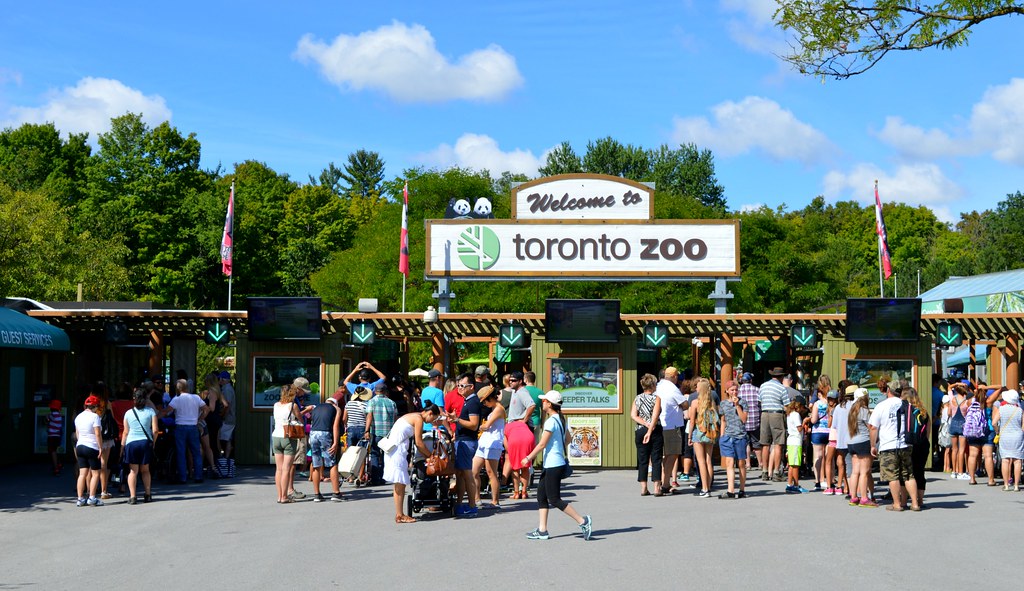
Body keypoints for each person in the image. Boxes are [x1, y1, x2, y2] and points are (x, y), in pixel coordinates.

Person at [521, 391, 593, 541]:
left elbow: (542, 444)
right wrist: (558, 449)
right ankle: (542, 530)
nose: (542, 403)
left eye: (544, 401)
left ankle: (583, 521)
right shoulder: (560, 419)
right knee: (541, 496)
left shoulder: (551, 421)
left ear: (549, 404)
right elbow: (568, 439)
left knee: (554, 499)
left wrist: (528, 457)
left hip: (553, 464)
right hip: (553, 463)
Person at [869, 380, 921, 512]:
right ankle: (915, 503)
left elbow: (873, 427)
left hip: (888, 445)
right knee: (908, 474)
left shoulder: (881, 406)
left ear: (888, 390)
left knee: (893, 476)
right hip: (905, 444)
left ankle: (897, 504)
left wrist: (873, 445)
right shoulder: (907, 404)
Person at [383, 404, 441, 523]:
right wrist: (430, 456)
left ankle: (399, 514)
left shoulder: (413, 415)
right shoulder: (418, 419)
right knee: (400, 483)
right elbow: (419, 443)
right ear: (430, 413)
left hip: (393, 450)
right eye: (433, 419)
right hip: (397, 451)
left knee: (399, 484)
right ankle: (400, 515)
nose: (431, 422)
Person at [448, 373, 481, 517]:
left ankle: (472, 505)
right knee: (460, 474)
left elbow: (474, 425)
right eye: (458, 385)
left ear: (471, 387)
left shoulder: (473, 402)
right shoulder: (468, 401)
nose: (459, 388)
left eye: (462, 386)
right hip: (462, 440)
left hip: (467, 442)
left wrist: (457, 420)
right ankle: (460, 503)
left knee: (467, 474)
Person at [164, 378, 209, 484]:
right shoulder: (196, 397)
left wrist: (156, 416)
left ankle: (182, 477)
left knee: (181, 452)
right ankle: (198, 476)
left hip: (180, 427)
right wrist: (199, 419)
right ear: (187, 387)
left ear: (178, 388)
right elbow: (206, 409)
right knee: (196, 452)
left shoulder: (176, 399)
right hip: (193, 427)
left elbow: (167, 411)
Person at [121, 388, 158, 504]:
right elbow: (155, 430)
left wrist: (122, 447)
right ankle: (148, 494)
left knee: (133, 471)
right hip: (145, 443)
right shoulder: (151, 412)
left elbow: (125, 432)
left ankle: (133, 496)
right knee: (145, 470)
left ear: (134, 399)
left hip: (131, 443)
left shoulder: (128, 413)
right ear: (146, 399)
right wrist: (153, 442)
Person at [656, 367, 687, 495]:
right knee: (672, 454)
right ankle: (665, 484)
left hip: (660, 424)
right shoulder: (673, 388)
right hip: (672, 425)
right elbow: (685, 404)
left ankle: (662, 482)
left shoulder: (658, 386)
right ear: (674, 377)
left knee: (665, 455)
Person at [473, 386, 506, 508]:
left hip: (493, 443)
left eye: (485, 401)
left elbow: (486, 426)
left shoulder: (499, 409)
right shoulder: (493, 409)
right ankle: (476, 499)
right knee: (474, 471)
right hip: (484, 442)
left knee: (491, 472)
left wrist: (476, 426)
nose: (484, 404)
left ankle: (495, 501)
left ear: (491, 398)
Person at [631, 373, 663, 496]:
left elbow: (633, 415)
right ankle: (657, 487)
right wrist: (650, 430)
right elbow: (655, 415)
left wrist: (644, 423)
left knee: (642, 458)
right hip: (655, 430)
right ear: (653, 385)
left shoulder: (637, 398)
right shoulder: (656, 398)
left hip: (640, 429)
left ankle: (643, 487)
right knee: (656, 458)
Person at [687, 378, 720, 498]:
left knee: (700, 461)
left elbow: (691, 421)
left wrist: (689, 436)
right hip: (710, 433)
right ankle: (709, 487)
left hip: (698, 432)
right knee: (708, 460)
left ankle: (704, 488)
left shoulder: (695, 402)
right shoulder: (712, 402)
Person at [308, 396, 343, 502]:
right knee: (332, 463)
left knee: (316, 464)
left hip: (313, 434)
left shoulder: (316, 408)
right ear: (335, 404)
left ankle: (317, 494)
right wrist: (335, 442)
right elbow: (335, 426)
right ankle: (336, 493)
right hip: (325, 434)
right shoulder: (336, 409)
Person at [272, 385, 303, 503]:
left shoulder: (276, 405)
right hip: (288, 437)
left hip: (276, 436)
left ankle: (280, 496)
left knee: (278, 469)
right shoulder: (293, 406)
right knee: (286, 469)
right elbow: (301, 420)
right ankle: (284, 497)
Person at [718, 380, 748, 499]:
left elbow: (744, 419)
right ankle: (730, 490)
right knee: (729, 463)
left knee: (741, 463)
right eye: (732, 390)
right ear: (727, 391)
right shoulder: (723, 404)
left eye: (736, 390)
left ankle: (742, 489)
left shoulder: (743, 402)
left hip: (740, 435)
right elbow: (723, 420)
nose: (734, 392)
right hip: (727, 436)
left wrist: (737, 406)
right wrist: (722, 435)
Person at [758, 367, 789, 482]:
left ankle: (764, 471)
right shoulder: (781, 388)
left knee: (765, 444)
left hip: (764, 414)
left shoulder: (763, 386)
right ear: (781, 377)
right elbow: (786, 405)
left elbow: (760, 401)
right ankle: (776, 472)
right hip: (777, 414)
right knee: (778, 444)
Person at [902, 387, 931, 508]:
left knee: (907, 473)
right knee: (920, 472)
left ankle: (905, 500)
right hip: (922, 444)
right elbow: (927, 432)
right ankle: (920, 500)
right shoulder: (923, 411)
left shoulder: (905, 410)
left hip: (908, 444)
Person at [364, 382, 397, 486]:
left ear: (375, 391)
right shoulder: (392, 402)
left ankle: (375, 479)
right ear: (385, 391)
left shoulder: (372, 402)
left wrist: (366, 430)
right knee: (386, 455)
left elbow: (369, 416)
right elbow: (395, 418)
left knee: (374, 454)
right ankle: (383, 477)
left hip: (376, 432)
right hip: (389, 434)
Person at [846, 387, 875, 506]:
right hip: (863, 441)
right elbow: (871, 428)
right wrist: (874, 443)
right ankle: (864, 498)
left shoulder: (852, 411)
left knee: (855, 472)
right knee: (864, 472)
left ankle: (853, 497)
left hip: (852, 442)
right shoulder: (864, 411)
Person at [74, 395, 104, 506]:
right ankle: (92, 497)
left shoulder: (78, 417)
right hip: (91, 446)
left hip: (80, 445)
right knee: (95, 473)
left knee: (82, 473)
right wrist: (100, 447)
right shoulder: (95, 417)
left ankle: (80, 499)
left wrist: (80, 441)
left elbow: (77, 433)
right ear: (95, 406)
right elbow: (97, 433)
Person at [993, 389, 1023, 492]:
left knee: (1005, 460)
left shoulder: (1001, 409)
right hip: (1017, 436)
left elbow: (994, 423)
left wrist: (998, 431)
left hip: (1005, 435)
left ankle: (1006, 485)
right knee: (1017, 460)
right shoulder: (1019, 410)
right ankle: (1016, 486)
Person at [809, 375, 832, 491]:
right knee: (829, 458)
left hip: (818, 432)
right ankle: (830, 481)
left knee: (817, 457)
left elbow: (813, 420)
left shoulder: (817, 404)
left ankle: (818, 481)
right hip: (830, 431)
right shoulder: (832, 403)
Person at [504, 418, 535, 500]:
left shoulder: (507, 425)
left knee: (515, 468)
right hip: (529, 438)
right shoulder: (524, 423)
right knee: (525, 467)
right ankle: (524, 492)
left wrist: (510, 453)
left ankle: (516, 492)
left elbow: (505, 442)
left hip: (515, 440)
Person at [784, 395, 809, 494]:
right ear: (800, 406)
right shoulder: (796, 415)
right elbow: (799, 428)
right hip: (795, 441)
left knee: (791, 465)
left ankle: (789, 484)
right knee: (796, 465)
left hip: (791, 441)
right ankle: (796, 485)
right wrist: (804, 422)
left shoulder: (790, 414)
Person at [737, 373, 761, 469]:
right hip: (755, 420)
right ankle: (760, 463)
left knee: (746, 443)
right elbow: (760, 404)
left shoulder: (738, 391)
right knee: (757, 443)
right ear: (751, 380)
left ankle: (747, 464)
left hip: (743, 420)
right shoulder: (757, 390)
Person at [948, 382, 969, 480]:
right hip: (963, 425)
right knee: (961, 450)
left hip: (953, 424)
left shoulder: (952, 399)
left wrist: (956, 383)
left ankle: (954, 471)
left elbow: (949, 387)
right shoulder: (967, 401)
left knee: (954, 449)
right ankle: (961, 472)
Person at [217, 371, 236, 459]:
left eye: (220, 378)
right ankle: (226, 457)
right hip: (229, 418)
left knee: (220, 437)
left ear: (223, 379)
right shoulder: (227, 388)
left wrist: (223, 416)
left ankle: (223, 457)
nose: (219, 380)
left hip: (227, 419)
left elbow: (227, 405)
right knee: (227, 438)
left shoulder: (227, 389)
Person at [47, 399, 64, 476]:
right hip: (57, 436)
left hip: (52, 436)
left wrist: (47, 417)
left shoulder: (52, 414)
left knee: (52, 451)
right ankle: (58, 463)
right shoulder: (59, 416)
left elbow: (47, 420)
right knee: (55, 450)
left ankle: (56, 468)